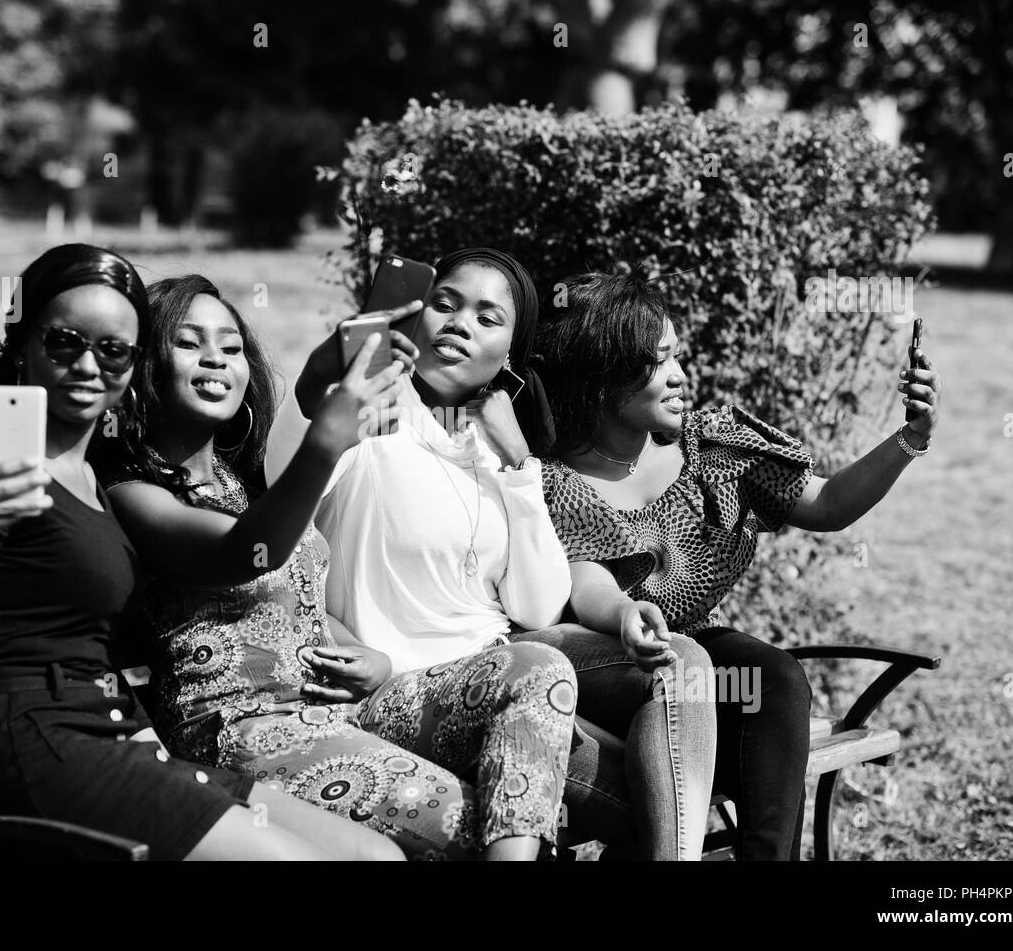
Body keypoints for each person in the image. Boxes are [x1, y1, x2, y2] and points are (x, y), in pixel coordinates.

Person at [0, 244, 400, 861]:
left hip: (114, 738)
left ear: (132, 367)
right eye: (64, 342)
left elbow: (261, 513)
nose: (88, 363)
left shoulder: (88, 481)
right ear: (22, 346)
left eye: (112, 350)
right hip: (31, 746)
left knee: (373, 857)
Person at [103, 273, 575, 860]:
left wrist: (367, 654)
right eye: (189, 343)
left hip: (342, 710)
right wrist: (331, 411)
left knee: (538, 667)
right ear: (143, 366)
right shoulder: (135, 493)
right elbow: (246, 552)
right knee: (481, 825)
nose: (215, 360)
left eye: (230, 347)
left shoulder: (239, 484)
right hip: (244, 732)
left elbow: (301, 597)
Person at [265, 248, 717, 860]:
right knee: (649, 800)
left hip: (508, 660)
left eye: (487, 317)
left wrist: (517, 464)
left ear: (510, 353)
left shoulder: (492, 446)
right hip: (412, 688)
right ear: (414, 322)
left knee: (681, 661)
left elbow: (536, 606)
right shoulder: (369, 421)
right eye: (444, 306)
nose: (459, 324)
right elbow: (275, 548)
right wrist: (343, 638)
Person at [535, 269, 943, 860]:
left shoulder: (713, 450)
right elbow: (586, 577)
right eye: (656, 364)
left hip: (697, 661)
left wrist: (910, 437)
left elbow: (828, 504)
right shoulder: (557, 481)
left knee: (771, 676)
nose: (679, 378)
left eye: (676, 356)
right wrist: (625, 613)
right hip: (610, 671)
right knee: (693, 677)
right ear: (601, 379)